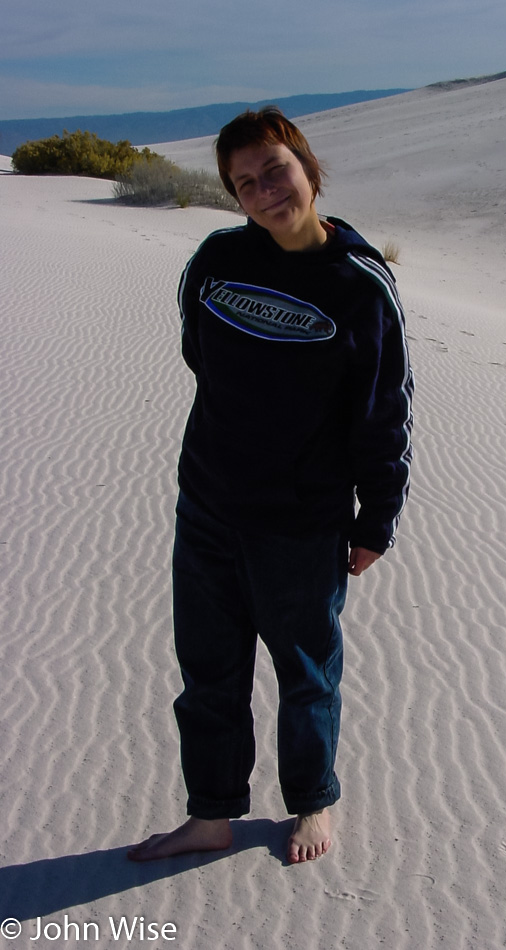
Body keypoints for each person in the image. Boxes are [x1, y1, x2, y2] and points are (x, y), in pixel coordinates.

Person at [127, 107, 413, 865]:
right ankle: (212, 815)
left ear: (307, 167)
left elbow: (383, 413)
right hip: (210, 510)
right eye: (244, 182)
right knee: (208, 673)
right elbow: (199, 354)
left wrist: (374, 522)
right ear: (234, 194)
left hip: (302, 524)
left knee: (305, 674)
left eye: (275, 169)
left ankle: (314, 804)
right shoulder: (217, 260)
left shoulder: (358, 286)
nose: (264, 190)